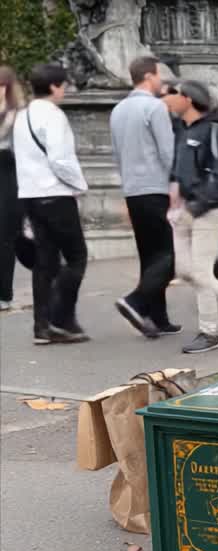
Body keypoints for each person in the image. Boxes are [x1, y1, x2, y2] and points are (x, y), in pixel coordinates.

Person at [167, 80, 218, 353]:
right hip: (187, 208)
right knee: (184, 270)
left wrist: (195, 206)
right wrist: (175, 201)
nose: (170, 98)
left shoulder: (217, 131)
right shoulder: (183, 129)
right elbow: (179, 172)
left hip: (210, 209)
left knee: (201, 272)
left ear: (188, 99)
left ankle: (209, 332)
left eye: (174, 94)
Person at [14, 63, 90, 344]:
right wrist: (80, 184)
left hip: (30, 194)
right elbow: (60, 159)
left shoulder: (22, 116)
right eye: (65, 85)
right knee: (76, 257)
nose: (66, 90)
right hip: (56, 193)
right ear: (56, 86)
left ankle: (41, 326)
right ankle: (61, 319)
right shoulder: (54, 116)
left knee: (44, 261)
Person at [107, 56, 178, 338]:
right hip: (156, 187)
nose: (161, 80)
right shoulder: (155, 107)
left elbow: (117, 154)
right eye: (159, 75)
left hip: (134, 189)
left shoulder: (118, 110)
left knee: (150, 255)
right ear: (149, 76)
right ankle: (135, 300)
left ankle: (156, 316)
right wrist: (177, 186)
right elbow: (168, 152)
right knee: (171, 255)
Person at [0, 65, 24, 312]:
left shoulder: (16, 115)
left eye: (2, 86)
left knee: (6, 237)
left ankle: (4, 293)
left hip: (8, 176)